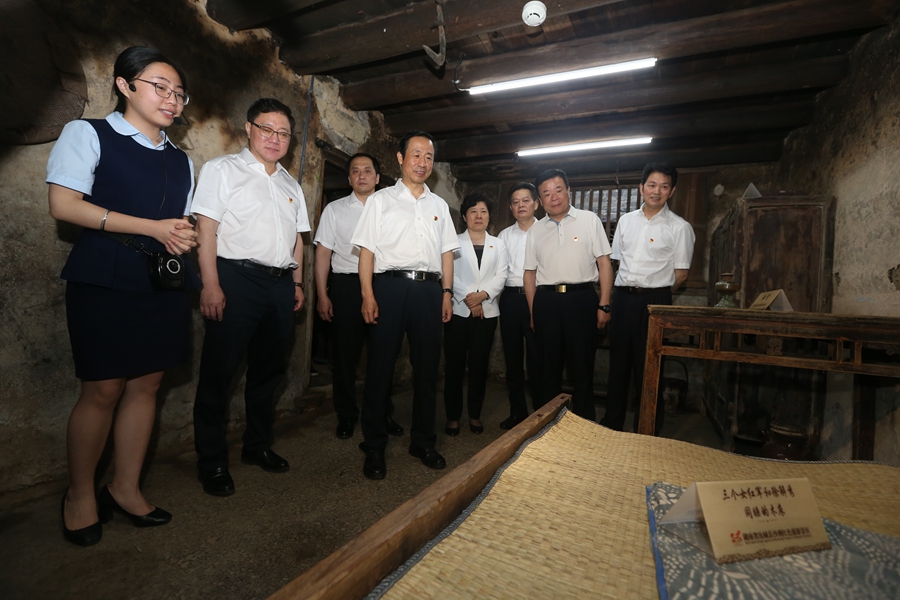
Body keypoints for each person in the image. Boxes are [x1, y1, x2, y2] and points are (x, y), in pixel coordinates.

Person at [47, 46, 196, 546]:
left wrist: (184, 234)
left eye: (179, 93)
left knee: (147, 384)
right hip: (105, 273)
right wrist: (153, 228)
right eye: (160, 87)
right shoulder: (88, 133)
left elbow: (179, 220)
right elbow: (64, 205)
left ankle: (125, 488)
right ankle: (80, 495)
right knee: (103, 389)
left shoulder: (181, 159)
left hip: (161, 280)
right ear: (125, 85)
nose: (171, 99)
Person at [191, 98, 310, 496]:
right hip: (235, 279)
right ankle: (211, 461)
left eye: (283, 133)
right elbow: (206, 231)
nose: (275, 139)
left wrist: (297, 283)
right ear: (249, 128)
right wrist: (210, 284)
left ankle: (257, 445)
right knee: (219, 373)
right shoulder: (222, 170)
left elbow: (298, 240)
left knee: (269, 372)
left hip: (280, 285)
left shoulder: (291, 184)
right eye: (267, 129)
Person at [351, 130, 459, 480]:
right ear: (400, 159)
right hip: (390, 288)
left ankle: (423, 441)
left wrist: (446, 293)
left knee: (427, 369)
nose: (422, 162)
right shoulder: (380, 200)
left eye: (428, 157)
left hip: (429, 291)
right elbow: (366, 252)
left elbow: (447, 254)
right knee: (380, 368)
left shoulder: (439, 206)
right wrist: (368, 294)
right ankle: (374, 445)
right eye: (416, 155)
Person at [313, 153, 404, 440]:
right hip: (346, 286)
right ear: (349, 178)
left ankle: (382, 412)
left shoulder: (393, 208)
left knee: (384, 353)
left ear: (378, 178)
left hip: (384, 284)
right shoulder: (335, 210)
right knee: (344, 354)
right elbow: (323, 254)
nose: (361, 175)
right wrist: (322, 295)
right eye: (355, 171)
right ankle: (346, 414)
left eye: (367, 170)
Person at [600, 163, 695, 435]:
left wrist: (656, 293)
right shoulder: (626, 221)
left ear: (672, 191)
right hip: (623, 299)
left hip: (655, 303)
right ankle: (612, 424)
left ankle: (647, 429)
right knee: (618, 364)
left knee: (650, 367)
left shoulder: (680, 227)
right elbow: (618, 261)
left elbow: (681, 273)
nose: (657, 191)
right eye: (652, 185)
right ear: (642, 187)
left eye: (664, 186)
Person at [524, 168, 613, 421]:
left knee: (582, 368)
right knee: (548, 368)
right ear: (540, 201)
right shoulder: (535, 231)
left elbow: (604, 264)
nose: (554, 197)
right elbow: (529, 274)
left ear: (568, 190)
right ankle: (548, 425)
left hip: (581, 299)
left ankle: (584, 424)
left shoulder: (589, 220)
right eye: (547, 193)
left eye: (558, 190)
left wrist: (604, 304)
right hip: (546, 302)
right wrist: (533, 312)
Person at [443, 192, 509, 436]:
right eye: (473, 211)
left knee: (479, 366)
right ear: (464, 216)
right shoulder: (453, 241)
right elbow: (448, 272)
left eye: (483, 211)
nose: (478, 216)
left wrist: (483, 296)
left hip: (487, 314)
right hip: (458, 311)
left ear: (489, 216)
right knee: (454, 366)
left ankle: (474, 415)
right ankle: (453, 416)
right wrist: (471, 298)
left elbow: (502, 275)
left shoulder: (498, 244)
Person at [497, 183, 543, 429]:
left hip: (539, 298)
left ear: (536, 203)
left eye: (526, 200)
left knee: (538, 359)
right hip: (511, 299)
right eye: (515, 202)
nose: (521, 205)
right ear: (511, 208)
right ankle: (517, 412)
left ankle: (541, 413)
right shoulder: (503, 236)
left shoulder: (546, 231)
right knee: (512, 359)